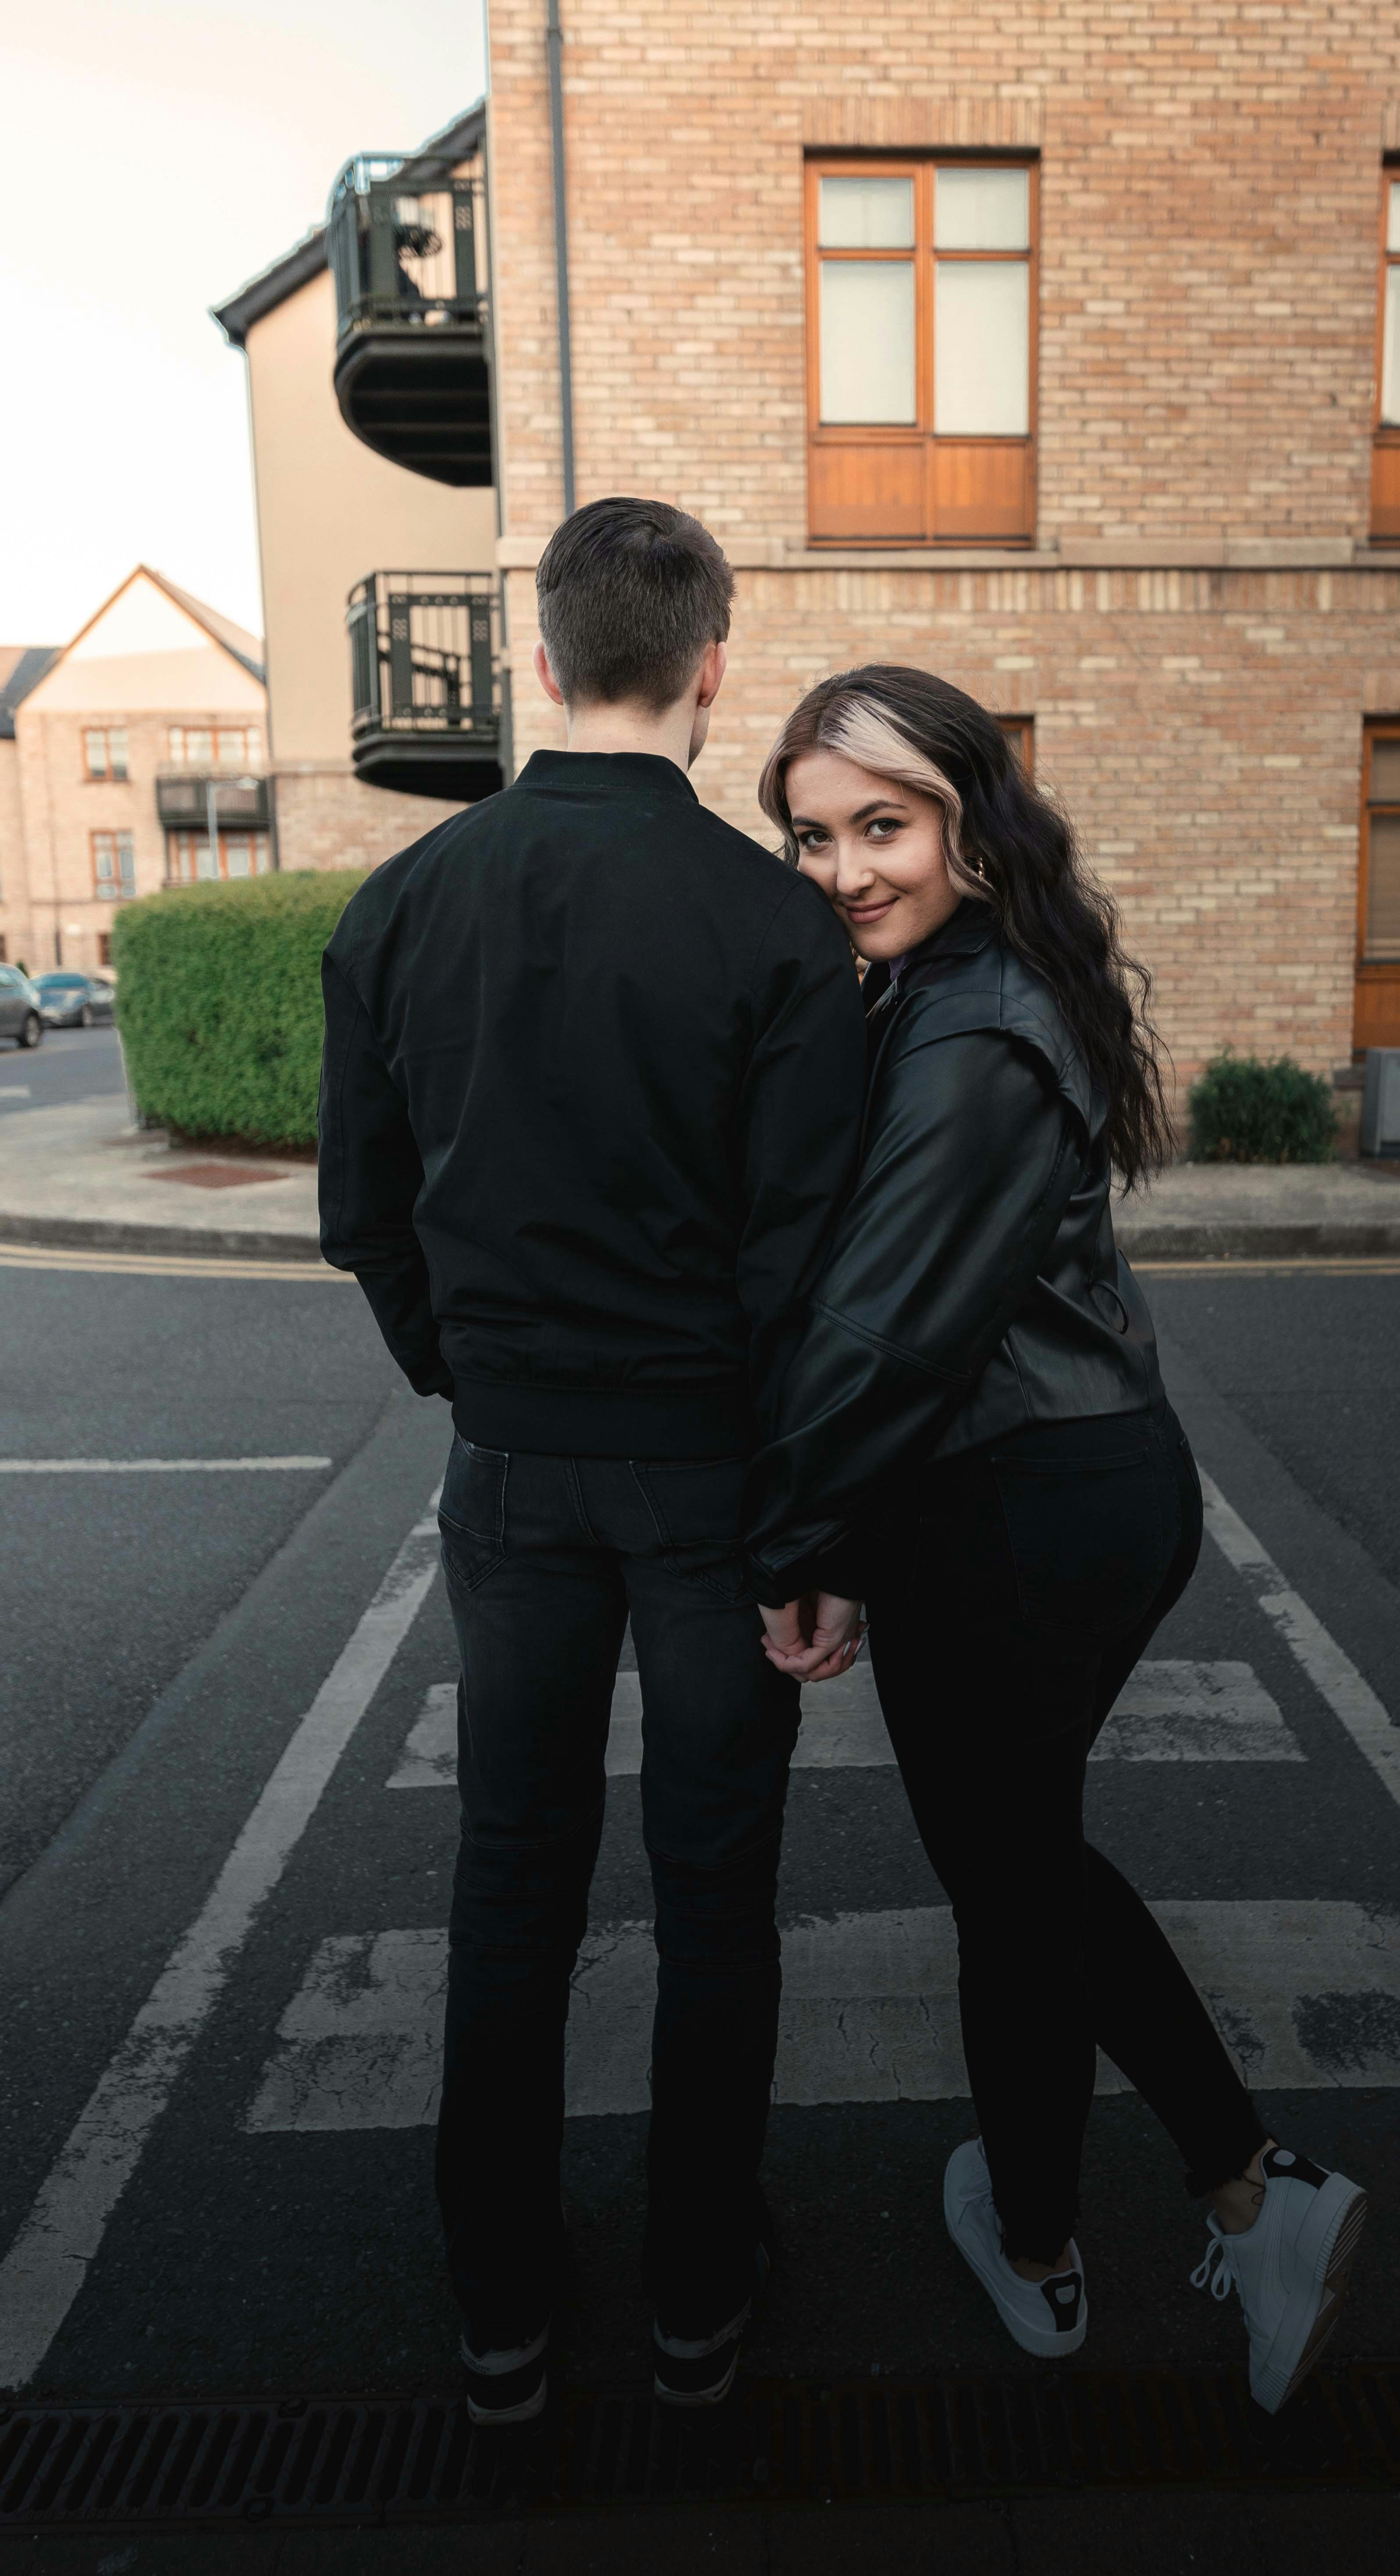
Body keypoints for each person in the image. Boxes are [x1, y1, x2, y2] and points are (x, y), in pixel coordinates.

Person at [743, 667, 1366, 2415]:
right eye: (811, 832)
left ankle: (1238, 2187)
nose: (844, 866)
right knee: (1013, 1870)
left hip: (1028, 1505)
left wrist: (795, 1535)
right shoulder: (956, 986)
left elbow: (883, 1327)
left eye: (884, 823)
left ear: (967, 822)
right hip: (1020, 1487)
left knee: (1011, 1868)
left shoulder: (972, 1028)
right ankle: (1048, 2230)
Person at [318, 498, 867, 2423]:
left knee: (511, 1877)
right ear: (710, 664)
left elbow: (363, 1215)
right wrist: (813, 1528)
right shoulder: (778, 927)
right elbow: (806, 1270)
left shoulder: (400, 906)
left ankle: (500, 2308)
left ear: (543, 661)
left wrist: (465, 1377)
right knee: (716, 1893)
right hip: (715, 1477)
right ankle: (700, 2292)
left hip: (518, 1469)